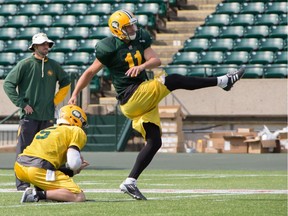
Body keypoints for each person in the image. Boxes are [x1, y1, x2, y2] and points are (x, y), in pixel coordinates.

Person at [68, 9, 246, 200]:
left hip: (143, 95)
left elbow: (156, 60)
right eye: (128, 26)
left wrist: (142, 66)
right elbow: (89, 73)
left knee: (155, 141)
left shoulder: (140, 37)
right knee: (173, 80)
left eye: (133, 25)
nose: (133, 29)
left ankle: (130, 181)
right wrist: (75, 94)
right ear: (117, 29)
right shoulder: (107, 46)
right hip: (131, 97)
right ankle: (223, 81)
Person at [3, 33, 71, 191]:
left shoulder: (53, 65)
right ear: (34, 46)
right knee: (24, 151)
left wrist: (54, 101)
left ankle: (42, 184)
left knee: (47, 152)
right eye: (42, 44)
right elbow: (8, 84)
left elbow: (66, 82)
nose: (46, 46)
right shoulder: (24, 64)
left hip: (47, 118)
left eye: (47, 44)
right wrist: (21, 103)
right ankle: (22, 185)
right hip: (28, 117)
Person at [15, 105, 89, 203]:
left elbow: (50, 166)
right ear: (75, 119)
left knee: (49, 175)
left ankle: (40, 188)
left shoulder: (47, 130)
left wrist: (73, 172)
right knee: (78, 196)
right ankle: (36, 195)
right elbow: (73, 163)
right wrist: (78, 164)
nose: (82, 127)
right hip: (38, 169)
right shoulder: (76, 130)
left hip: (20, 167)